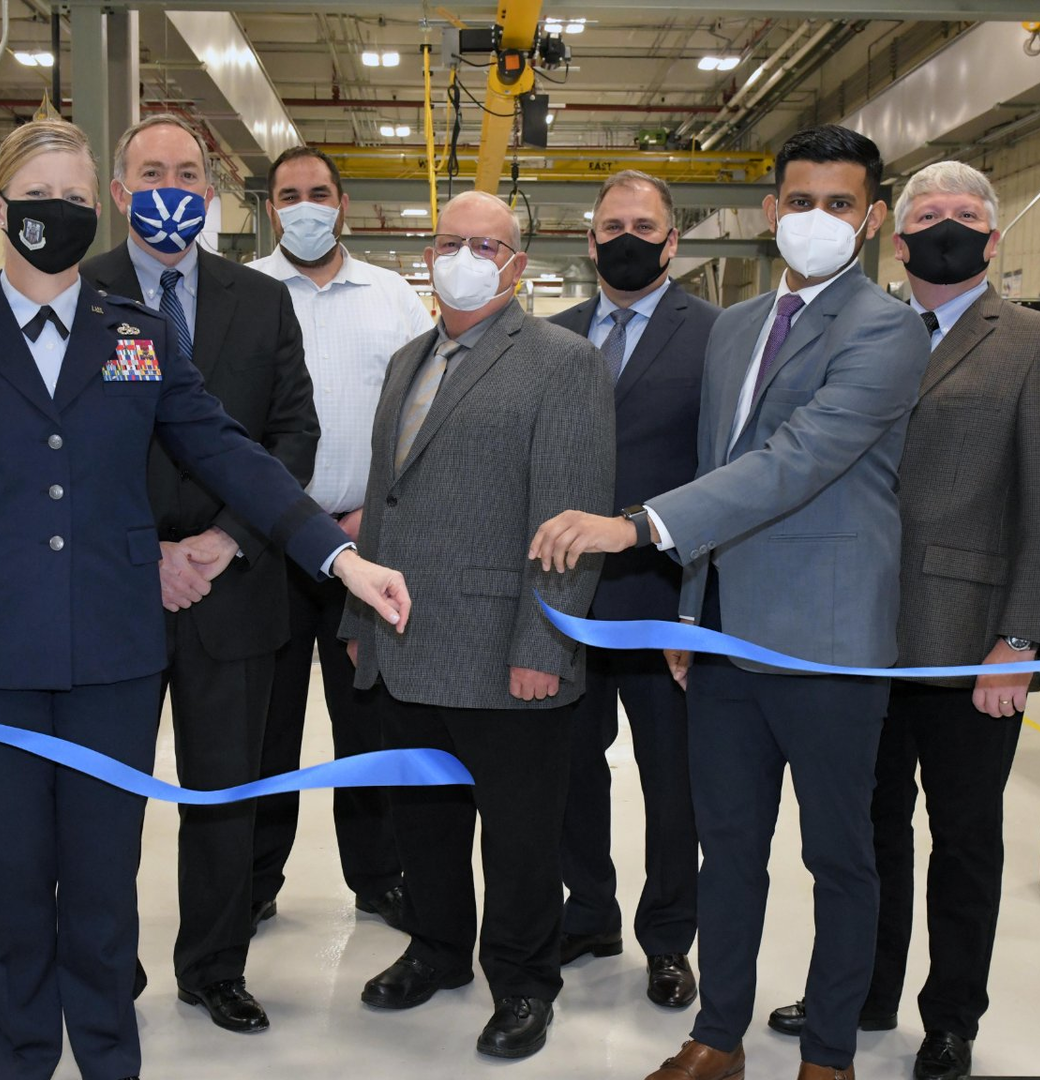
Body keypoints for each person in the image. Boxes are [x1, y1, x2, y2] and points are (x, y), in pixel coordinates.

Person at [0, 118, 411, 1080]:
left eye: (78, 200)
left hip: (113, 658)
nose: (62, 215)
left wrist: (338, 558)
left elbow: (231, 456)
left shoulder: (136, 338)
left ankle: (109, 1060)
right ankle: (24, 1060)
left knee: (99, 883)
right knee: (4, 884)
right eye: (43, 196)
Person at [529, 124, 930, 1080]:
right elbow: (720, 465)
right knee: (729, 853)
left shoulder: (886, 330)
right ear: (769, 213)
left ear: (872, 220)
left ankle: (828, 1053)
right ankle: (718, 1036)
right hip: (722, 637)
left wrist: (636, 527)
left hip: (828, 642)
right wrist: (691, 612)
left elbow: (796, 464)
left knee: (839, 858)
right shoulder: (740, 327)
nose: (817, 220)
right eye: (800, 202)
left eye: (840, 205)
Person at [765, 160, 1040, 1080]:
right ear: (896, 236)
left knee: (963, 839)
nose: (944, 226)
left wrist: (1023, 641)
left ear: (993, 240)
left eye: (964, 215)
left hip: (968, 647)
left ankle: (951, 1015)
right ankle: (863, 991)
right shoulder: (857, 331)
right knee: (864, 832)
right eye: (926, 214)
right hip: (855, 639)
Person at [347, 190, 614, 1060]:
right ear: (429, 253)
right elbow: (385, 507)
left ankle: (525, 982)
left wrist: (547, 644)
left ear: (516, 264)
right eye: (450, 241)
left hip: (508, 649)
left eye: (486, 244)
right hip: (406, 642)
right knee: (422, 819)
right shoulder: (405, 361)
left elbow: (569, 522)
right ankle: (436, 949)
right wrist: (363, 617)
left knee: (521, 835)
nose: (465, 255)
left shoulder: (560, 362)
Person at [78, 115, 319, 1035]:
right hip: (112, 587)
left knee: (226, 793)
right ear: (117, 189)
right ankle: (105, 968)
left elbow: (291, 436)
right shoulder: (75, 291)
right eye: (151, 171)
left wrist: (224, 539)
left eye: (187, 172)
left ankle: (215, 966)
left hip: (235, 582)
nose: (169, 186)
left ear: (211, 193)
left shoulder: (259, 302)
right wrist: (146, 554)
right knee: (106, 794)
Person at [246, 145, 434, 932]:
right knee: (263, 723)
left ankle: (379, 874)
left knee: (368, 718)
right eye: (290, 194)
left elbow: (427, 415)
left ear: (344, 202)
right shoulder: (244, 294)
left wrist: (377, 520)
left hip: (366, 543)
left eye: (319, 192)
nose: (306, 207)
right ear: (269, 207)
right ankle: (253, 878)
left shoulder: (392, 298)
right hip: (264, 545)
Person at [547, 169, 717, 1009]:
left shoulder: (717, 336)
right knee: (573, 771)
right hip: (569, 601)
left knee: (671, 781)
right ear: (589, 240)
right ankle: (589, 911)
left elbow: (725, 476)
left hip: (662, 603)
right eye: (611, 224)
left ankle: (667, 937)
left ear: (672, 240)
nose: (626, 237)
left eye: (644, 225)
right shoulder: (552, 334)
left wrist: (699, 606)